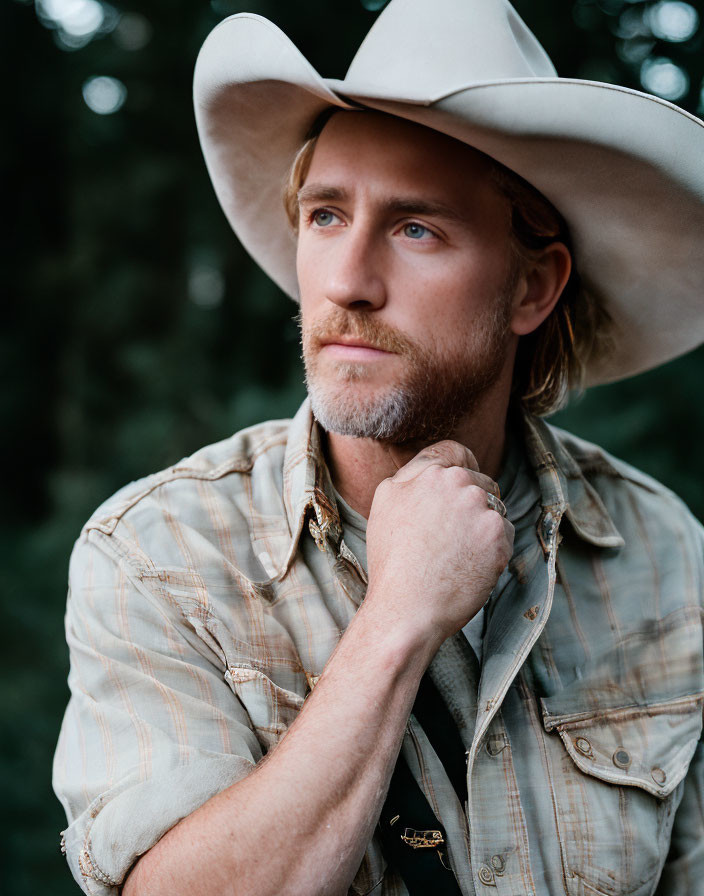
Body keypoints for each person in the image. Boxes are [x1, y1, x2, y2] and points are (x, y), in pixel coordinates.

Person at [53, 0, 704, 894]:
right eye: (324, 216)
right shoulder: (161, 555)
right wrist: (399, 619)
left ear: (533, 288)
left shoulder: (667, 555)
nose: (348, 283)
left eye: (415, 229)